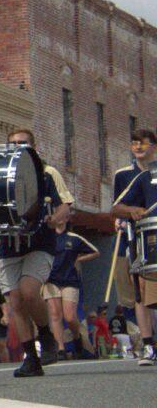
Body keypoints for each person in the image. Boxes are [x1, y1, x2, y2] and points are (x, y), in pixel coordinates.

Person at [0, 128, 73, 378]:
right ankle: (31, 357)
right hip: (10, 245)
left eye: (23, 143)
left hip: (39, 242)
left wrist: (55, 219)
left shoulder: (47, 172)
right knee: (16, 301)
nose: (18, 147)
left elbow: (65, 204)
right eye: (13, 144)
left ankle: (47, 335)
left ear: (33, 146)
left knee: (29, 291)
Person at [111, 128, 157, 365]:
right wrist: (131, 211)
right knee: (140, 290)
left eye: (143, 143)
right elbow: (117, 207)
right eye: (134, 143)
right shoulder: (140, 177)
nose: (138, 147)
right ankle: (148, 345)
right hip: (144, 240)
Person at [43, 220, 99, 359]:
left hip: (70, 280)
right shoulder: (45, 236)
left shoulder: (74, 238)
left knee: (70, 317)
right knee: (55, 314)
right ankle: (60, 348)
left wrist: (79, 259)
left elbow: (95, 252)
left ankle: (76, 336)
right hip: (50, 280)